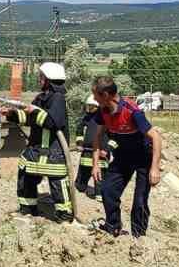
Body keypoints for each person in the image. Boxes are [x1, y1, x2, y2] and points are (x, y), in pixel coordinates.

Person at [89, 76, 164, 238]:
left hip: (144, 156)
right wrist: (95, 165)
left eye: (96, 95)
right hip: (123, 155)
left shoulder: (131, 112)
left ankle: (138, 237)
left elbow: (156, 137)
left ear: (106, 95)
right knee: (108, 190)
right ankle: (113, 227)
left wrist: (155, 168)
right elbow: (97, 137)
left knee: (139, 200)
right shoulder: (103, 112)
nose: (94, 99)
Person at [9, 62, 71, 221]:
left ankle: (64, 216)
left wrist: (36, 111)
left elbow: (53, 122)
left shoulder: (58, 98)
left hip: (53, 152)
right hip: (36, 150)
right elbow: (30, 118)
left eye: (41, 77)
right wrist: (12, 114)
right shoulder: (41, 97)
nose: (39, 79)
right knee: (25, 176)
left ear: (49, 79)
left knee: (58, 184)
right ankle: (28, 209)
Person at [75, 94, 107, 198]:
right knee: (83, 173)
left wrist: (107, 150)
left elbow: (112, 135)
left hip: (100, 152)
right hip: (87, 151)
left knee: (99, 175)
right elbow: (79, 129)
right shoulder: (86, 118)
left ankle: (100, 194)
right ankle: (80, 187)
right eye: (88, 106)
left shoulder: (106, 118)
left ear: (98, 107)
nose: (89, 109)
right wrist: (79, 143)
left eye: (91, 106)